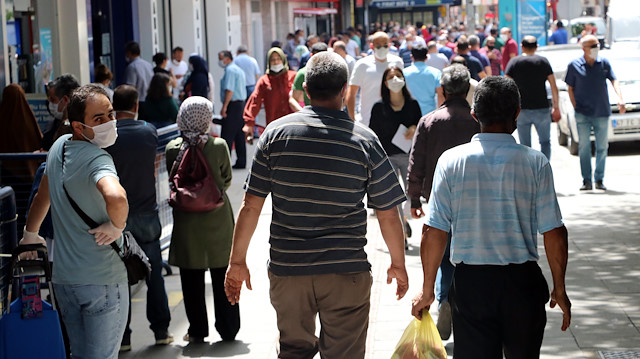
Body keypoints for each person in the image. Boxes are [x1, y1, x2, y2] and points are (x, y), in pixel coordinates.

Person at [224, 51, 408, 359]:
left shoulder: (275, 135)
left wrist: (237, 262)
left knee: (293, 351)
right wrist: (398, 263)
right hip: (345, 270)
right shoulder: (363, 139)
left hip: (289, 269)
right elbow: (387, 212)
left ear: (306, 91)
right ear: (344, 90)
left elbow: (251, 205)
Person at [411, 76, 572, 358]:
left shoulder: (451, 161)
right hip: (523, 284)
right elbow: (554, 231)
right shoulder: (535, 162)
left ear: (475, 114)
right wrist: (559, 287)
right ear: (517, 114)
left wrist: (427, 290)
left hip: (472, 286)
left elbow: (433, 230)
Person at [21, 84, 129, 359]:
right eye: (99, 119)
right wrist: (117, 226)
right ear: (79, 127)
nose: (109, 123)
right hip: (102, 281)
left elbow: (41, 198)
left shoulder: (58, 147)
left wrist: (30, 234)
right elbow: (117, 198)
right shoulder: (98, 158)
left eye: (110, 114)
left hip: (65, 282)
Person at [407, 64, 480, 339]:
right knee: (466, 257)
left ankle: (444, 299)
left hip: (439, 199)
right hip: (473, 199)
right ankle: (460, 305)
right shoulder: (477, 120)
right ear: (466, 90)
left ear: (443, 90)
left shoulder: (429, 121)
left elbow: (416, 161)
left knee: (443, 254)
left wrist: (414, 197)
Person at [165, 96, 239, 344]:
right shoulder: (218, 146)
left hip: (187, 220)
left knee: (191, 277)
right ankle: (228, 329)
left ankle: (197, 329)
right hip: (217, 218)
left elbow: (173, 180)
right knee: (222, 275)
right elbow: (226, 180)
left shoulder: (173, 148)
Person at [105, 85, 173, 351]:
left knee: (119, 277)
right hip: (147, 214)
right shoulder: (148, 132)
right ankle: (161, 331)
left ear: (113, 106)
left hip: (116, 217)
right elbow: (155, 165)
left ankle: (123, 338)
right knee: (153, 273)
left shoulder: (108, 137)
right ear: (135, 106)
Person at [565, 35, 625, 191]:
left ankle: (599, 179)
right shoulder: (574, 65)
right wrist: (575, 105)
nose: (596, 48)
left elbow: (614, 80)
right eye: (592, 46)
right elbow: (570, 88)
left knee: (602, 147)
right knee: (584, 147)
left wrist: (620, 98)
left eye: (597, 45)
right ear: (583, 48)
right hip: (582, 113)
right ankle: (586, 180)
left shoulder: (603, 63)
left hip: (601, 111)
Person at [369, 66, 421, 242]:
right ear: (385, 83)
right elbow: (373, 133)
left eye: (398, 76)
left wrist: (414, 128)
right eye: (391, 77)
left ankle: (405, 219)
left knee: (409, 192)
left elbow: (419, 123)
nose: (395, 80)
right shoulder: (378, 107)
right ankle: (401, 230)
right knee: (393, 195)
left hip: (408, 154)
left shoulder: (412, 103)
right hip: (387, 157)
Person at [506, 36, 561, 160]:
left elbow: (506, 85)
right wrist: (556, 106)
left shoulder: (514, 62)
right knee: (545, 142)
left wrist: (509, 107)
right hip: (541, 107)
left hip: (521, 109)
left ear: (522, 47)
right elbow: (553, 85)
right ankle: (545, 166)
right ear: (536, 47)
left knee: (525, 145)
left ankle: (528, 170)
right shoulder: (543, 62)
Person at [347, 31, 404, 126]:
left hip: (393, 119)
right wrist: (352, 120)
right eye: (378, 46)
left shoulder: (397, 62)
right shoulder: (362, 64)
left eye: (385, 45)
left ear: (389, 45)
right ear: (372, 46)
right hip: (367, 120)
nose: (382, 48)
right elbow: (351, 93)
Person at [242, 47, 297, 140]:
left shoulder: (294, 77)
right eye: (273, 60)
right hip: (274, 127)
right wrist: (249, 123)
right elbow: (255, 101)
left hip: (294, 125)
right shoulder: (264, 81)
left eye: (279, 59)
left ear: (283, 60)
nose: (276, 62)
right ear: (268, 62)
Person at [218, 50, 247, 169]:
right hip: (240, 105)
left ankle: (224, 164)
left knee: (227, 135)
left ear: (227, 58)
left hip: (233, 105)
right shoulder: (238, 69)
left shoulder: (230, 70)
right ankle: (241, 161)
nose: (220, 61)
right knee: (239, 135)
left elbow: (229, 90)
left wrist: (224, 107)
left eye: (220, 58)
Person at [42, 74, 80, 150]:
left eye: (53, 100)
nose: (49, 104)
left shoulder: (77, 128)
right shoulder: (53, 125)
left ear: (65, 100)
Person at [403, 44, 444, 116]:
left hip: (409, 114)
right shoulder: (436, 73)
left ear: (411, 57)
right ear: (426, 57)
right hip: (430, 114)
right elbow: (440, 95)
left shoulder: (403, 73)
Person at [290, 42, 328, 111]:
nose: (320, 61)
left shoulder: (334, 72)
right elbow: (293, 99)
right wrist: (304, 114)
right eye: (316, 57)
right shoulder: (303, 74)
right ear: (311, 55)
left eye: (323, 58)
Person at [124, 41, 154, 118]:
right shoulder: (148, 65)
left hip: (139, 101)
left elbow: (131, 87)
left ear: (129, 53)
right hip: (150, 99)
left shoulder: (132, 67)